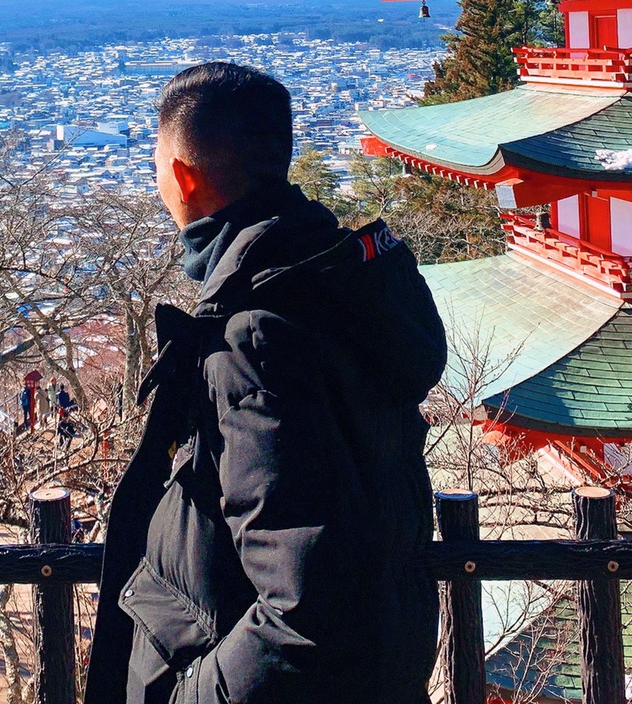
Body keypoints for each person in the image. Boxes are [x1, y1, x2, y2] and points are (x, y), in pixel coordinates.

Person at [86, 62, 447, 704]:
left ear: (182, 176)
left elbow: (308, 601)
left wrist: (192, 694)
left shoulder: (256, 336)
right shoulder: (333, 289)